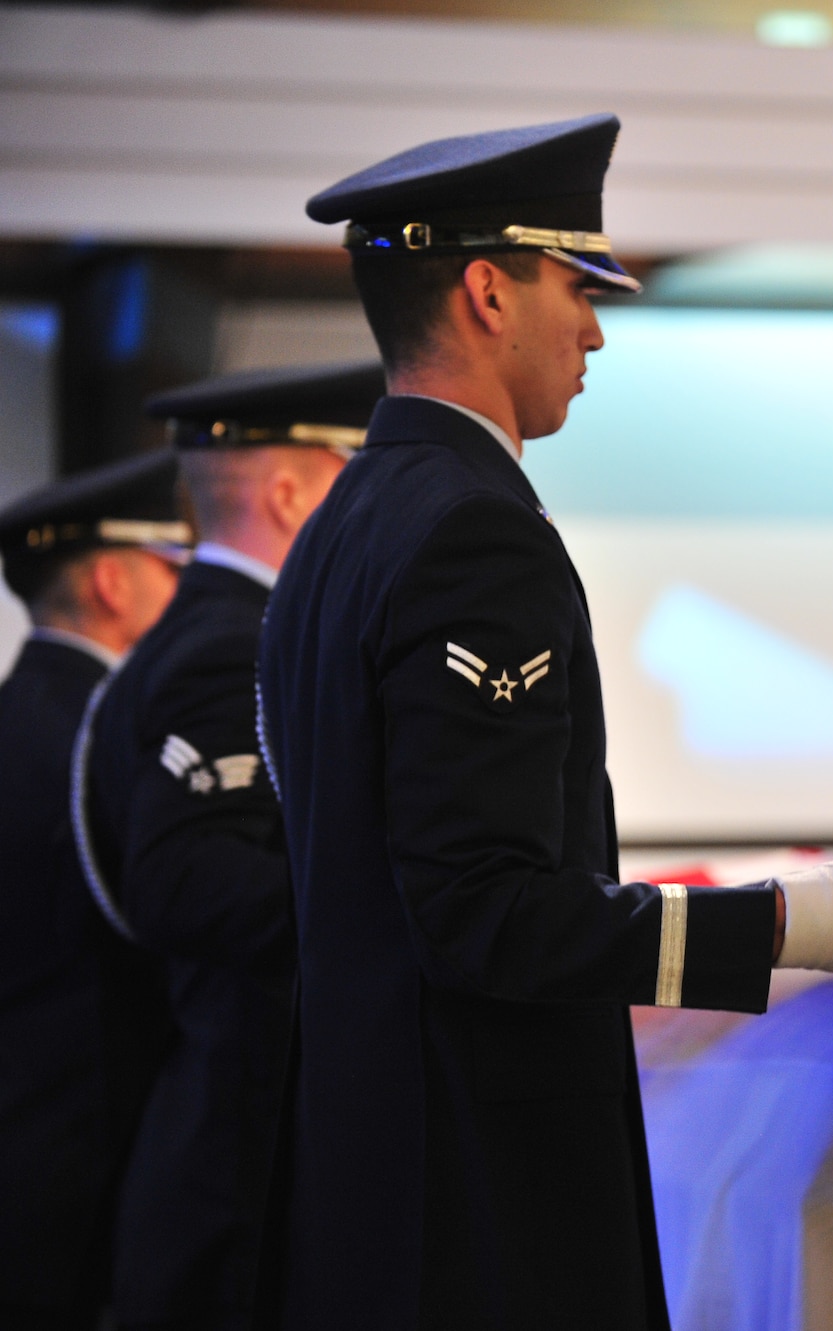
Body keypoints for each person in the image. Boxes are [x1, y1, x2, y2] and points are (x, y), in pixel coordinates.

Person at [259, 114, 833, 1330]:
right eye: (575, 287)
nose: (593, 328)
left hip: (374, 1164)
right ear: (488, 290)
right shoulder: (473, 533)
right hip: (478, 1186)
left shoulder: (343, 525)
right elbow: (483, 912)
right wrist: (798, 921)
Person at [71, 362, 379, 1331]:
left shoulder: (209, 630)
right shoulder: (233, 643)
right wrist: (403, 907)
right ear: (290, 492)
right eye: (346, 472)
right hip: (239, 1143)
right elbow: (189, 880)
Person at [0, 454, 186, 1330]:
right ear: (112, 581)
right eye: (172, 566)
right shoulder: (100, 737)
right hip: (85, 1162)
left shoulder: (23, 716)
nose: (186, 592)